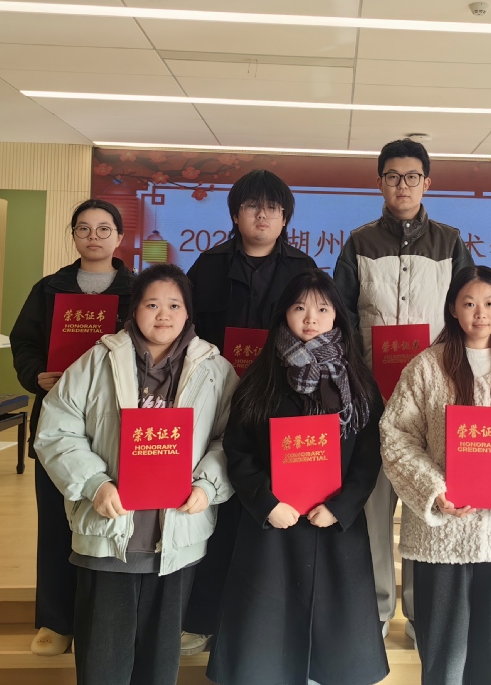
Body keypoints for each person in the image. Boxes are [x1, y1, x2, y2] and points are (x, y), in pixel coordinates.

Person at [34, 263, 237, 685]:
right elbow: (57, 432)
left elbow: (231, 439)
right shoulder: (97, 361)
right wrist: (95, 483)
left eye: (174, 305)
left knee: (159, 666)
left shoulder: (215, 370)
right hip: (108, 533)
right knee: (102, 664)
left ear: (189, 312)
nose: (163, 315)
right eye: (152, 304)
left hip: (176, 537)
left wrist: (207, 485)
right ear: (134, 309)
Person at [381, 265, 491, 685]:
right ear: (452, 308)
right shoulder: (426, 367)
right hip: (444, 537)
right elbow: (396, 436)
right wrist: (433, 489)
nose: (480, 313)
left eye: (489, 303)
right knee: (444, 660)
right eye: (469, 303)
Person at [207, 270, 388, 685]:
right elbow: (238, 449)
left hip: (335, 525)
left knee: (336, 646)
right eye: (300, 307)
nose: (311, 318)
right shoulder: (261, 378)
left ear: (337, 316)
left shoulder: (358, 382)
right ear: (283, 314)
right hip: (273, 526)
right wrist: (266, 503)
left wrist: (341, 507)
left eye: (322, 309)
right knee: (266, 639)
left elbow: (368, 456)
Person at [334, 138, 475, 638]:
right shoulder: (358, 243)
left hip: (431, 394)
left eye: (412, 177)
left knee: (423, 502)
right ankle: (376, 609)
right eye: (392, 176)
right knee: (374, 509)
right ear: (380, 183)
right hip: (371, 394)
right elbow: (341, 317)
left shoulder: (450, 243)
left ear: (426, 183)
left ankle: (419, 613)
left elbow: (468, 313)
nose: (402, 186)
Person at [182, 168, 317, 653]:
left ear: (285, 218)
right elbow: (185, 330)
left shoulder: (304, 270)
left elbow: (318, 332)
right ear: (235, 214)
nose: (263, 216)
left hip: (278, 403)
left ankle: (260, 626)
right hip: (215, 400)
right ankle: (201, 618)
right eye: (252, 206)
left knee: (265, 508)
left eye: (273, 208)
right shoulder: (207, 266)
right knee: (211, 504)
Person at [9, 198, 135, 657]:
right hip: (59, 419)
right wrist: (35, 374)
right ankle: (56, 620)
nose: (93, 237)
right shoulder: (49, 288)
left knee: (112, 523)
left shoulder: (137, 290)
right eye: (84, 228)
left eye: (104, 229)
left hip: (116, 420)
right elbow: (23, 342)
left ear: (119, 237)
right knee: (55, 521)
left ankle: (104, 619)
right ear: (73, 235)